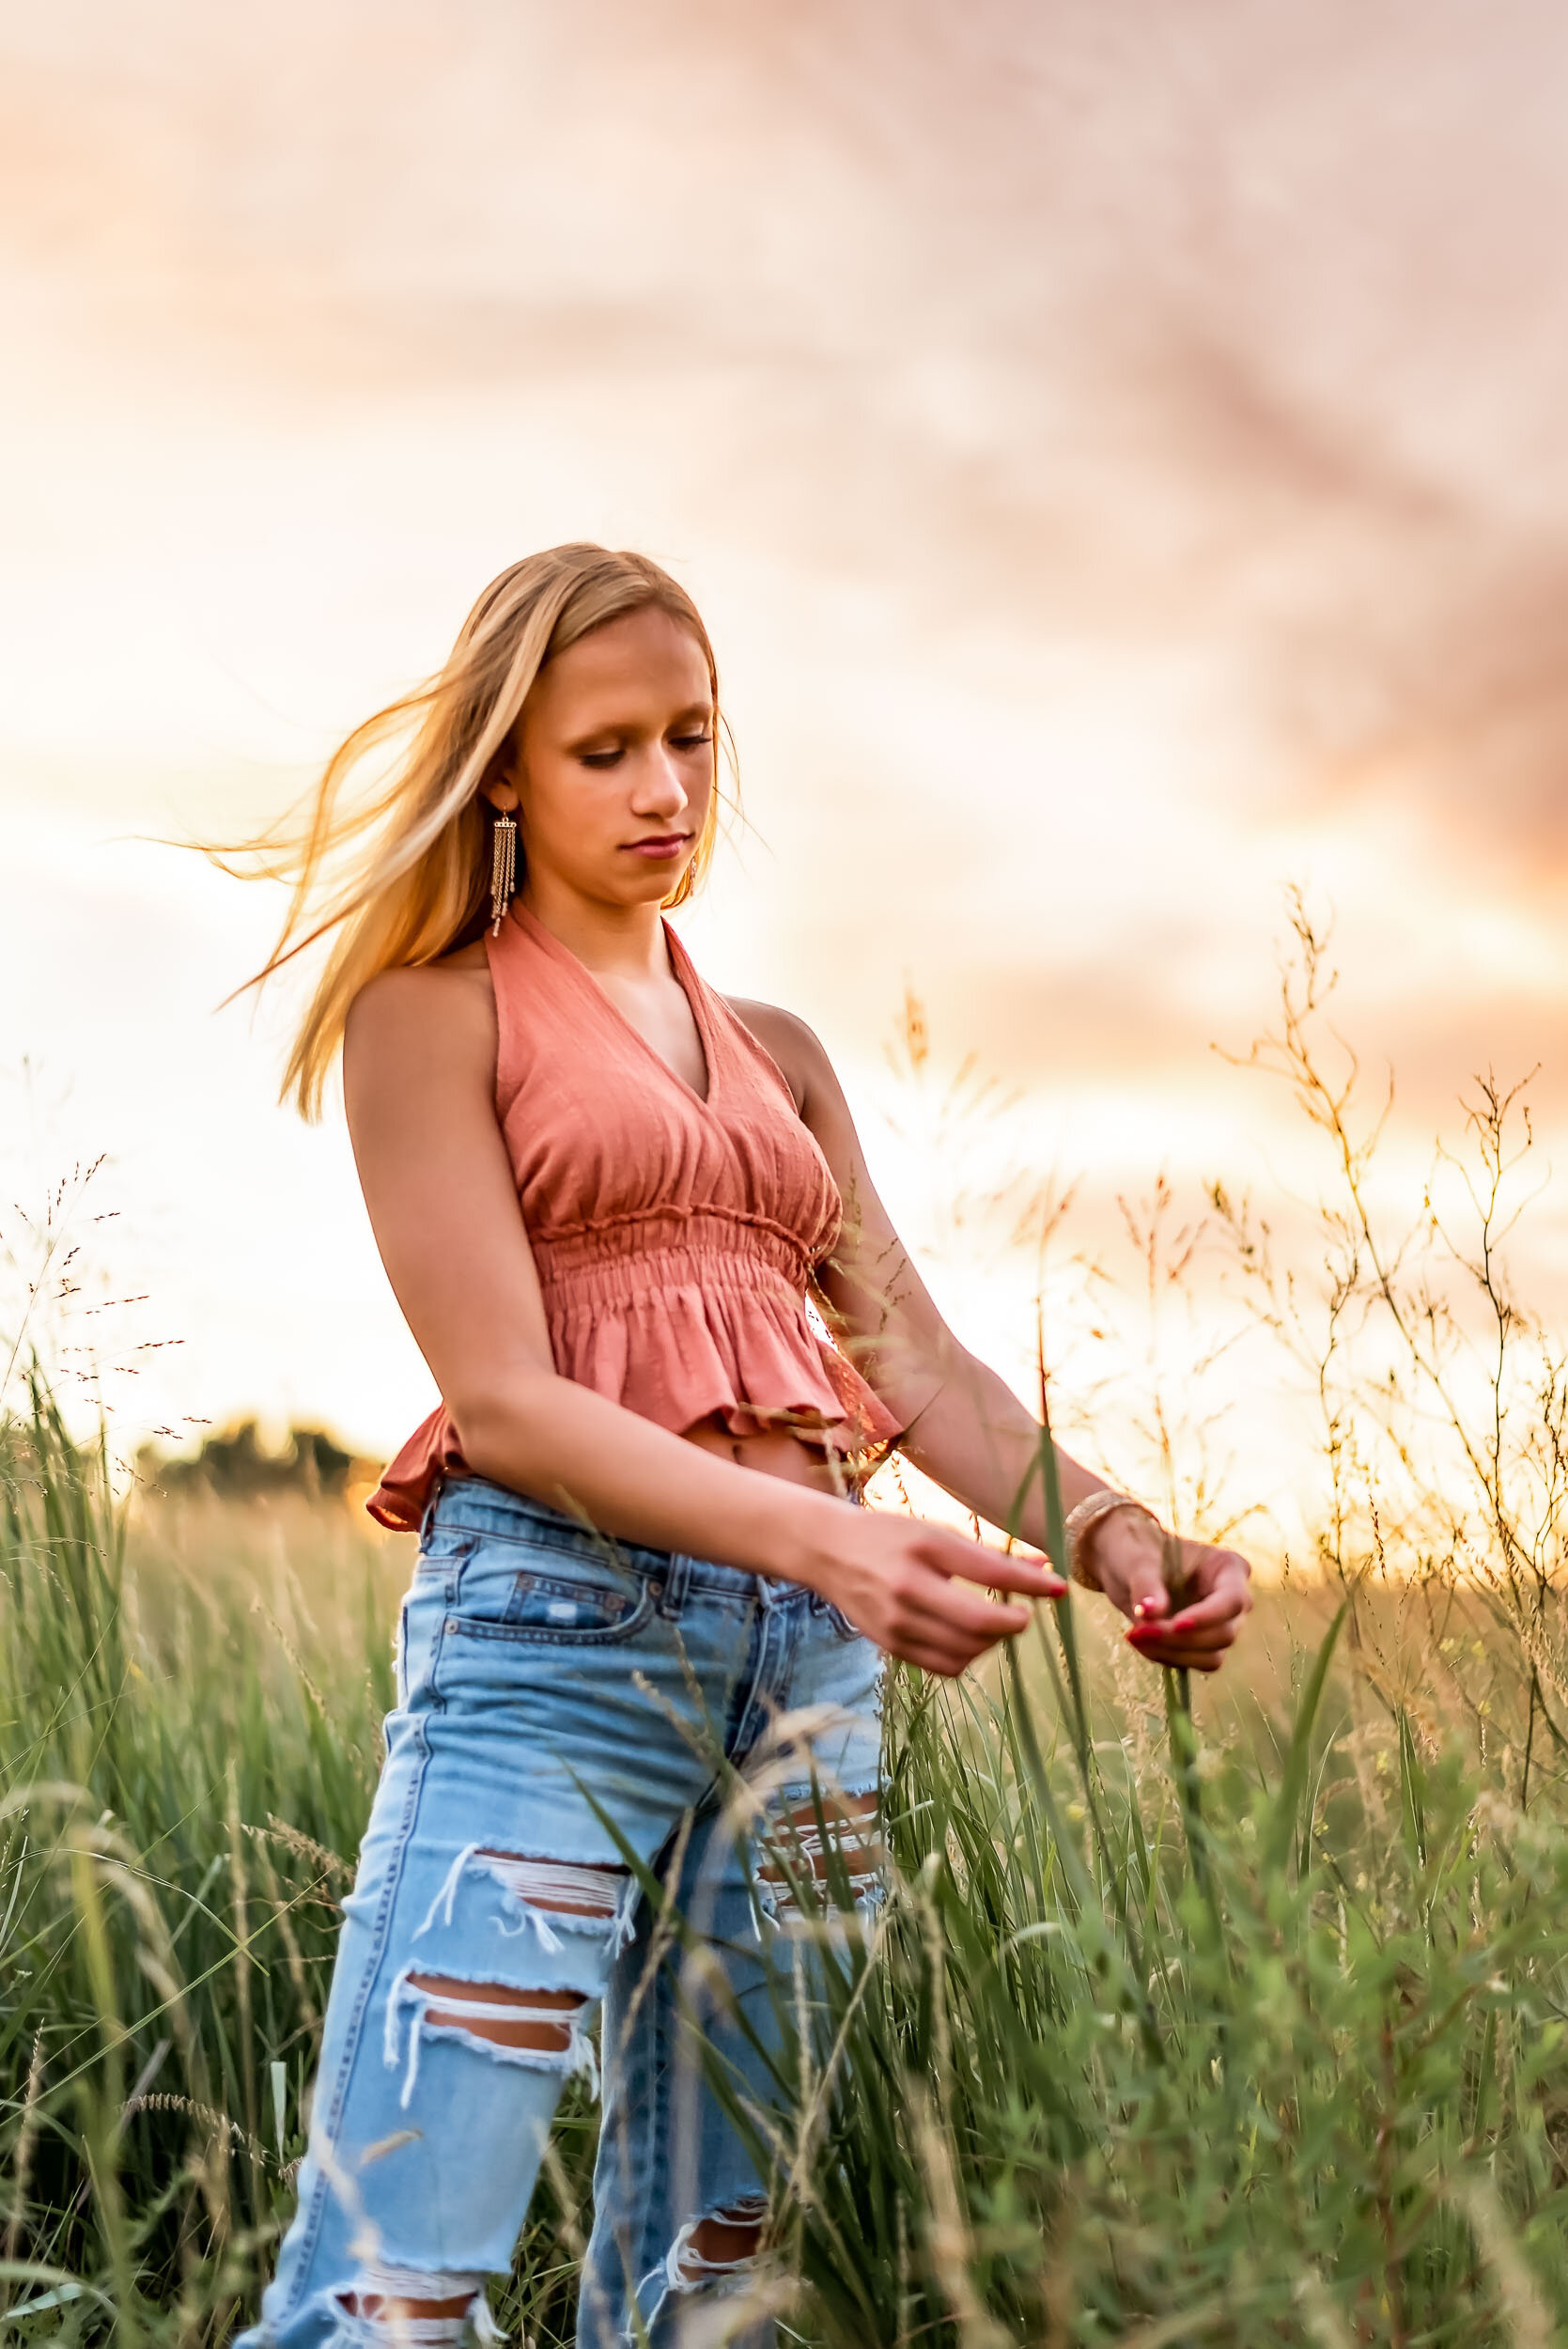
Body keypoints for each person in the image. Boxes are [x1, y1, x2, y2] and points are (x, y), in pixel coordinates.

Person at [231, 544, 1251, 2348]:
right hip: (556, 1649)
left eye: (691, 739)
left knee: (713, 2289)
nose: (665, 790)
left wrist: (1116, 1533)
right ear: (505, 773)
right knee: (395, 2291)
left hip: (805, 1688)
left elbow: (913, 1358)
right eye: (605, 749)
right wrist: (828, 1543)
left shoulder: (775, 1054)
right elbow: (509, 1403)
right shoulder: (431, 1017)